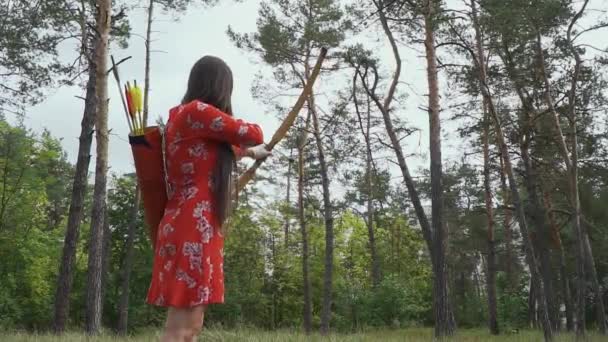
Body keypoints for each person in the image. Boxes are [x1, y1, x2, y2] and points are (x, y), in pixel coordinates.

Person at [146, 56, 271, 342]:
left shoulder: (183, 116)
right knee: (181, 329)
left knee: (192, 327)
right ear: (219, 86)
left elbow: (214, 152)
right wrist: (252, 145)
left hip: (192, 223)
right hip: (192, 225)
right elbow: (253, 133)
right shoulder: (197, 111)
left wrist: (252, 153)